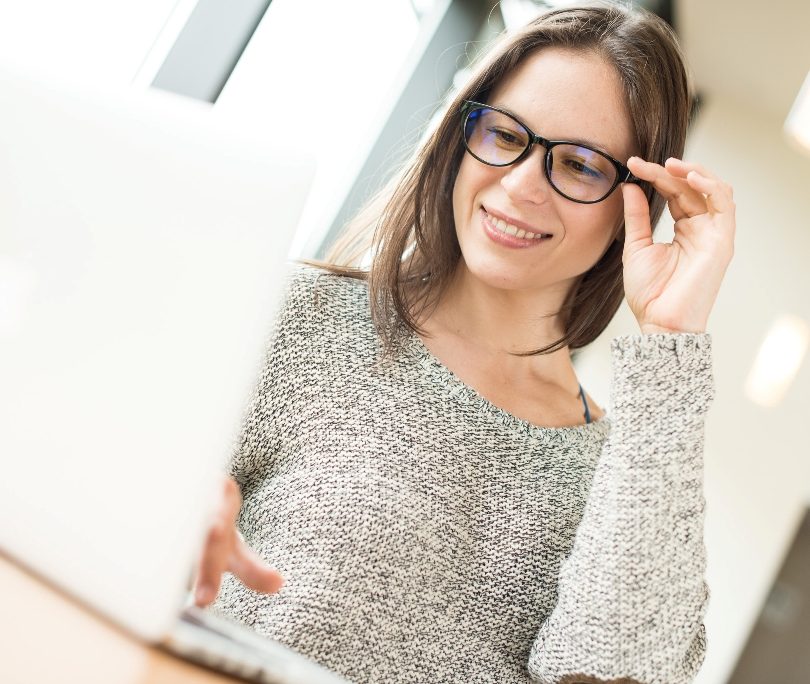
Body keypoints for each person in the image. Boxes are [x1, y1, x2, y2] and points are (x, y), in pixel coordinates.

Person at [194, 3, 735, 683]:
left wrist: (671, 342)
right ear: (462, 133)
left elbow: (616, 673)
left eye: (579, 165)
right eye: (506, 135)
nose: (520, 185)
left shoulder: (628, 472)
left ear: (634, 205)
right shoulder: (301, 317)